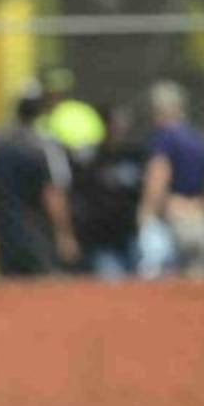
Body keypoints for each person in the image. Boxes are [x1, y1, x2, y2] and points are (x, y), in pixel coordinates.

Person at [138, 81, 204, 276]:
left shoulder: (164, 139)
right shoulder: (200, 140)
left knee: (161, 281)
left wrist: (147, 213)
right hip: (200, 219)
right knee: (199, 282)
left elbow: (158, 176)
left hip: (172, 217)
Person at [0, 91, 79, 277]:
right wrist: (64, 234)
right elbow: (53, 193)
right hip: (38, 232)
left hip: (6, 232)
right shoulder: (44, 146)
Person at [71, 106, 146, 280]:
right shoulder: (91, 159)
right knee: (111, 282)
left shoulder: (135, 155)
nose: (119, 129)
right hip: (101, 238)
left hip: (129, 233)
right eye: (114, 124)